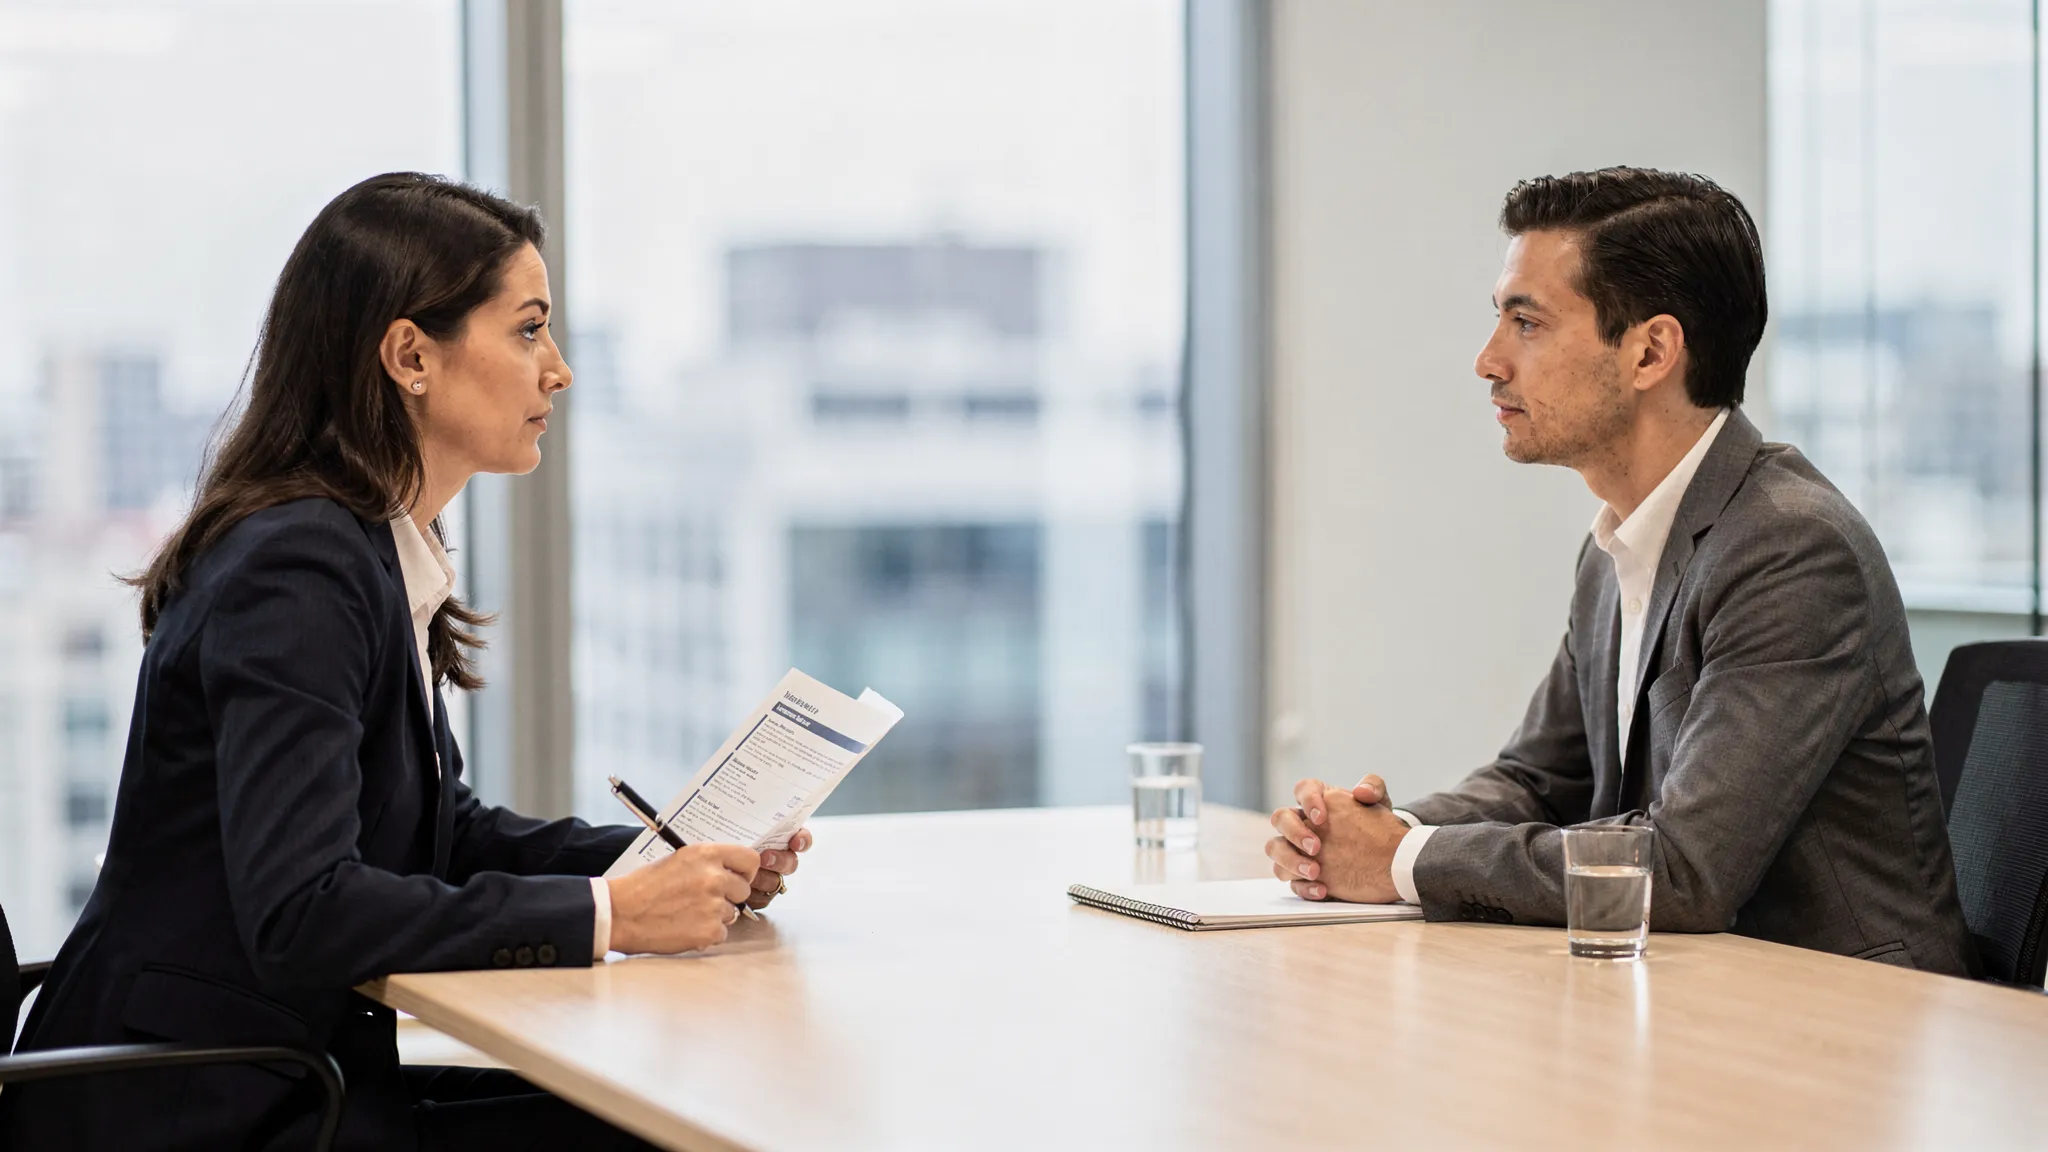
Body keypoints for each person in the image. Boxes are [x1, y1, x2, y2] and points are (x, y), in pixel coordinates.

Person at [0, 173, 808, 1150]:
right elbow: (304, 909)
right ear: (410, 355)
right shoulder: (297, 565)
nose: (557, 370)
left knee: (674, 1112)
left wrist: (665, 863)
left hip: (296, 1069)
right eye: (526, 330)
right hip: (200, 1106)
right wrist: (611, 914)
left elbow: (437, 831)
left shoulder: (368, 546)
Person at [1266, 167, 1973, 975]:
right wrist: (1365, 836)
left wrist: (1400, 862)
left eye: (1526, 323)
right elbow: (1537, 781)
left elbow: (1683, 870)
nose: (1488, 361)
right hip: (1701, 997)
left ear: (1650, 352)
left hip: (1851, 1019)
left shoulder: (1793, 552)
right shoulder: (1616, 549)